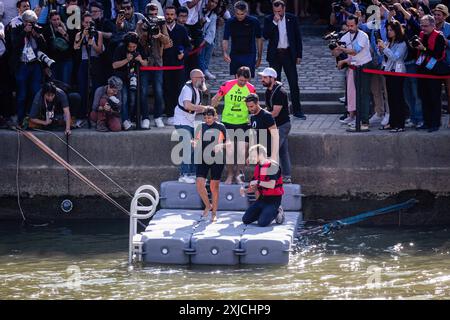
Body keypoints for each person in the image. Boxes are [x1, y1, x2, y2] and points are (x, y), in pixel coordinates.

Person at [211, 66, 256, 185]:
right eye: (241, 80)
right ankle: (230, 175)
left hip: (244, 122)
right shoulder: (227, 85)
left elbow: (254, 106)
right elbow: (215, 99)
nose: (243, 83)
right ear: (236, 76)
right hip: (228, 122)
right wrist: (213, 113)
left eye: (245, 81)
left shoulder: (251, 88)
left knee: (243, 149)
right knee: (230, 150)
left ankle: (238, 174)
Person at [263, 0, 306, 120]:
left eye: (280, 11)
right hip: (275, 55)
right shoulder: (269, 19)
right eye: (275, 11)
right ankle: (274, 110)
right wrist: (274, 22)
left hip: (288, 54)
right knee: (274, 84)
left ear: (284, 9)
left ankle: (297, 110)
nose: (278, 13)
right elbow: (266, 35)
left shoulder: (292, 19)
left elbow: (298, 37)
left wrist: (299, 55)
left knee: (293, 83)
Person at [137, 3, 172, 129]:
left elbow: (168, 42)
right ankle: (145, 117)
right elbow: (137, 43)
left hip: (158, 62)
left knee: (158, 91)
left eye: (155, 14)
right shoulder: (141, 23)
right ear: (146, 13)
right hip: (145, 62)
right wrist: (145, 33)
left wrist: (159, 35)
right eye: (150, 14)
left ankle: (158, 117)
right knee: (143, 91)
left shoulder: (161, 23)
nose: (153, 16)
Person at [335, 15, 372, 132]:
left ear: (357, 24)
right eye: (348, 25)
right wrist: (334, 48)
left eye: (352, 25)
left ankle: (364, 122)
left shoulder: (363, 36)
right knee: (357, 95)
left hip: (365, 66)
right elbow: (336, 53)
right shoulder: (345, 37)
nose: (350, 28)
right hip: (355, 67)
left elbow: (355, 51)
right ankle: (358, 120)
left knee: (364, 94)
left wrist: (341, 49)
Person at [8, 9, 46, 125]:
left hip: (34, 65)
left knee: (36, 93)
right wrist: (24, 32)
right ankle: (20, 119)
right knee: (22, 95)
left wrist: (38, 36)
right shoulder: (16, 29)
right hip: (22, 66)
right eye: (29, 22)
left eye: (33, 22)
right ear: (24, 22)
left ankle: (33, 119)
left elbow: (45, 46)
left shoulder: (36, 30)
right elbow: (14, 45)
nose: (31, 25)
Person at [192, 106, 229, 222]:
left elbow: (229, 143)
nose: (207, 120)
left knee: (214, 186)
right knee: (199, 183)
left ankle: (214, 213)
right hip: (202, 158)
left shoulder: (220, 127)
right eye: (205, 118)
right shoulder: (200, 127)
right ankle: (208, 205)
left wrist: (220, 146)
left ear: (215, 117)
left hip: (217, 159)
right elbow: (196, 140)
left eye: (209, 117)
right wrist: (193, 143)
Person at [415, 14, 448, 132]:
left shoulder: (439, 36)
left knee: (434, 97)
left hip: (434, 72)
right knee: (424, 97)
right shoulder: (422, 35)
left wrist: (424, 49)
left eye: (425, 26)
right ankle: (427, 122)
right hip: (422, 70)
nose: (423, 28)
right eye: (421, 25)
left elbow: (438, 54)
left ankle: (435, 123)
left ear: (433, 25)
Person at [174, 69, 207, 183]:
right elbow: (187, 105)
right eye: (201, 77)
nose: (203, 79)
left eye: (203, 77)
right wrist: (203, 108)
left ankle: (192, 173)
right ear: (193, 79)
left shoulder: (197, 89)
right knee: (188, 147)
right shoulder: (187, 89)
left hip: (189, 121)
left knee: (196, 146)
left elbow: (194, 109)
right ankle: (184, 175)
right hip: (181, 121)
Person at [259, 67, 292, 183]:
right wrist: (260, 112)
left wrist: (260, 118)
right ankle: (287, 176)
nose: (262, 80)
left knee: (272, 150)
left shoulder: (280, 92)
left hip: (282, 125)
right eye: (262, 77)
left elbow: (275, 112)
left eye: (264, 77)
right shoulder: (268, 90)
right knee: (283, 152)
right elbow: (269, 108)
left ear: (272, 78)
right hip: (275, 125)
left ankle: (270, 177)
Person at [241, 144, 285, 227]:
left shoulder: (273, 166)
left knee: (262, 223)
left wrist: (257, 182)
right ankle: (265, 212)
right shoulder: (258, 167)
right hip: (262, 199)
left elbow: (272, 185)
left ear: (260, 154)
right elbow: (254, 188)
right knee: (246, 220)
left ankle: (277, 211)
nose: (251, 157)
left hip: (274, 200)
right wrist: (245, 191)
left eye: (253, 155)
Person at [112, 31, 148, 130]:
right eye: (130, 47)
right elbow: (114, 65)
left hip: (134, 77)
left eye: (134, 47)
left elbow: (146, 63)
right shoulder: (120, 48)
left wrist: (140, 60)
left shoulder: (139, 47)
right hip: (121, 77)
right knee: (124, 97)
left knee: (133, 99)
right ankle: (125, 120)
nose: (132, 49)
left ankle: (133, 119)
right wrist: (127, 60)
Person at [74, 11, 104, 128]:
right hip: (84, 62)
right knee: (83, 89)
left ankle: (94, 116)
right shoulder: (78, 34)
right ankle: (82, 116)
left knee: (96, 89)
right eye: (85, 22)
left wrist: (92, 42)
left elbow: (99, 51)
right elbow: (76, 47)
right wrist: (83, 36)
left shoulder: (98, 33)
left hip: (95, 62)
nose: (88, 25)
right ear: (82, 23)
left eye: (90, 22)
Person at [377, 20, 408, 132]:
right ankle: (392, 122)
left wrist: (384, 49)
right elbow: (383, 55)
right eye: (388, 30)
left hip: (398, 72)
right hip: (388, 71)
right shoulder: (389, 42)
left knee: (397, 98)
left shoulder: (402, 43)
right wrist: (381, 49)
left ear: (396, 30)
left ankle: (400, 124)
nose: (389, 32)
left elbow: (395, 57)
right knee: (390, 99)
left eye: (391, 30)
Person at [163, 5, 191, 126]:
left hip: (179, 66)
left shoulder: (181, 29)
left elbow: (188, 46)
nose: (169, 16)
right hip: (164, 66)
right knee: (167, 89)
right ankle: (169, 114)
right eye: (167, 14)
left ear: (175, 16)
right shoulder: (160, 28)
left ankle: (179, 114)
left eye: (171, 14)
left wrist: (183, 54)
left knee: (179, 90)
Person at [222, 1, 263, 78]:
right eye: (237, 14)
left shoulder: (254, 21)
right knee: (237, 79)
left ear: (246, 12)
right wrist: (225, 52)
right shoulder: (230, 22)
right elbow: (225, 38)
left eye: (242, 14)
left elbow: (259, 39)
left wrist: (259, 57)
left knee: (247, 78)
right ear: (234, 12)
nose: (240, 16)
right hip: (235, 53)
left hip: (250, 53)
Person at [245, 93, 279, 162]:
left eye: (251, 106)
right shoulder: (252, 117)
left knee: (266, 173)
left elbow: (275, 136)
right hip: (259, 156)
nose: (249, 109)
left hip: (268, 155)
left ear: (257, 103)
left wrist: (273, 155)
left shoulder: (266, 116)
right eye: (248, 107)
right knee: (259, 173)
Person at [43, 10, 73, 84]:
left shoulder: (66, 27)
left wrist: (64, 33)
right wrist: (45, 66)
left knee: (65, 83)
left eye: (58, 19)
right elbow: (44, 48)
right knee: (53, 84)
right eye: (54, 20)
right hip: (52, 62)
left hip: (66, 60)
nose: (56, 22)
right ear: (50, 20)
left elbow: (73, 44)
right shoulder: (47, 30)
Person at [198, 0, 219, 80]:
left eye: (216, 3)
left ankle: (205, 69)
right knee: (201, 50)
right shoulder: (199, 9)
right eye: (212, 1)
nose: (213, 4)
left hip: (205, 37)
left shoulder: (213, 15)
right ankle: (203, 71)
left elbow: (211, 31)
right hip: (197, 35)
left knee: (210, 44)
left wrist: (204, 41)